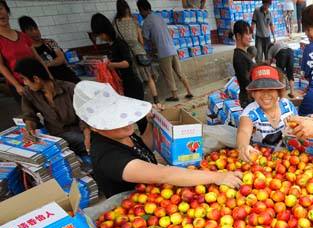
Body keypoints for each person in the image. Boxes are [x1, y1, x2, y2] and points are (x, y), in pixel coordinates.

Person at [73, 81, 242, 198]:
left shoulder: (120, 133)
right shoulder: (107, 156)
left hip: (157, 191)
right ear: (95, 127)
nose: (127, 123)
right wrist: (216, 177)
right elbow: (163, 175)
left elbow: (145, 148)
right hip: (136, 206)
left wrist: (154, 122)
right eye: (115, 121)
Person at [14, 58, 89, 156]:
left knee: (90, 143)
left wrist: (87, 138)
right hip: (56, 136)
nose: (24, 83)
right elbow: (29, 115)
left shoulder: (70, 88)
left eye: (24, 79)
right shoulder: (29, 93)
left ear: (36, 79)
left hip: (78, 132)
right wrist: (29, 129)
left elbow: (85, 117)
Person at [91, 13, 147, 134]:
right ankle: (144, 136)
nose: (101, 38)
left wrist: (111, 65)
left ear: (105, 31)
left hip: (132, 84)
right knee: (133, 115)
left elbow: (127, 63)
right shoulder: (111, 45)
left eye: (100, 34)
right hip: (124, 85)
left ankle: (148, 138)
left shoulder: (120, 43)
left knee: (140, 117)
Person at [235, 65, 298, 162]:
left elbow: (298, 126)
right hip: (261, 162)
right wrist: (243, 147)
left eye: (271, 89)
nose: (265, 94)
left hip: (290, 159)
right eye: (260, 90)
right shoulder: (250, 113)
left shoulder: (287, 105)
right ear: (253, 93)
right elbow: (243, 131)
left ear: (278, 92)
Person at [137, 0, 193, 102]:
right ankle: (189, 91)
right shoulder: (159, 17)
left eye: (140, 11)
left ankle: (175, 95)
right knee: (180, 73)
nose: (140, 14)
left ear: (143, 10)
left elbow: (144, 39)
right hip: (172, 49)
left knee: (168, 75)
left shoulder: (146, 22)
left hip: (163, 53)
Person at [114, 0, 159, 104]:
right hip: (140, 53)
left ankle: (140, 103)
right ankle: (156, 100)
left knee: (136, 80)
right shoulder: (134, 21)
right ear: (128, 9)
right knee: (149, 77)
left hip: (127, 56)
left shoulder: (115, 24)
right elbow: (141, 41)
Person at [0, 1, 41, 103]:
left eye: (0, 9)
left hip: (37, 79)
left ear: (7, 10)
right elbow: (1, 66)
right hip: (20, 85)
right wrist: (17, 85)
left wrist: (48, 75)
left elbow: (37, 58)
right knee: (33, 115)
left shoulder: (23, 35)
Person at [17, 16, 79, 84]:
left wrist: (47, 64)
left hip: (67, 74)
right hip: (51, 80)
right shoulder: (29, 50)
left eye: (36, 28)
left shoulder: (50, 42)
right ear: (24, 33)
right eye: (31, 30)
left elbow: (61, 58)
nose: (35, 32)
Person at [230, 20, 255, 109]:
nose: (250, 37)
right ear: (238, 36)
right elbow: (247, 82)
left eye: (250, 34)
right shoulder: (239, 57)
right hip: (248, 100)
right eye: (247, 34)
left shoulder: (243, 54)